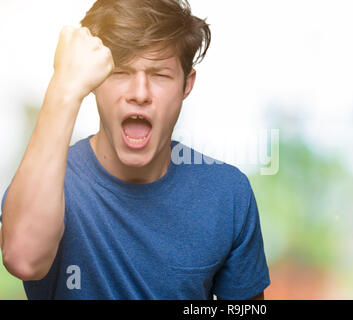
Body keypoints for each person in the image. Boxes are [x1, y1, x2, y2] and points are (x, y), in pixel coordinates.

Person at [0, 0, 270, 300]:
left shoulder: (227, 193)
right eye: (120, 72)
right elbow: (23, 260)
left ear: (186, 85)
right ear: (94, 81)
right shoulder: (47, 182)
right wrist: (63, 85)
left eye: (160, 75)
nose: (139, 94)